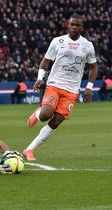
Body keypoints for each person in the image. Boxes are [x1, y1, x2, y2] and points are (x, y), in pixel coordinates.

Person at [24, 14, 98, 161]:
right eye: (72, 24)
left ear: (82, 28)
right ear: (68, 25)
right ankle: (37, 114)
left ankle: (29, 150)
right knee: (45, 115)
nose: (74, 27)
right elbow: (45, 61)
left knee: (55, 122)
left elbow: (94, 67)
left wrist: (89, 87)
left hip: (72, 91)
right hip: (55, 84)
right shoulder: (58, 41)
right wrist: (40, 78)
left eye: (78, 25)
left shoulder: (88, 45)